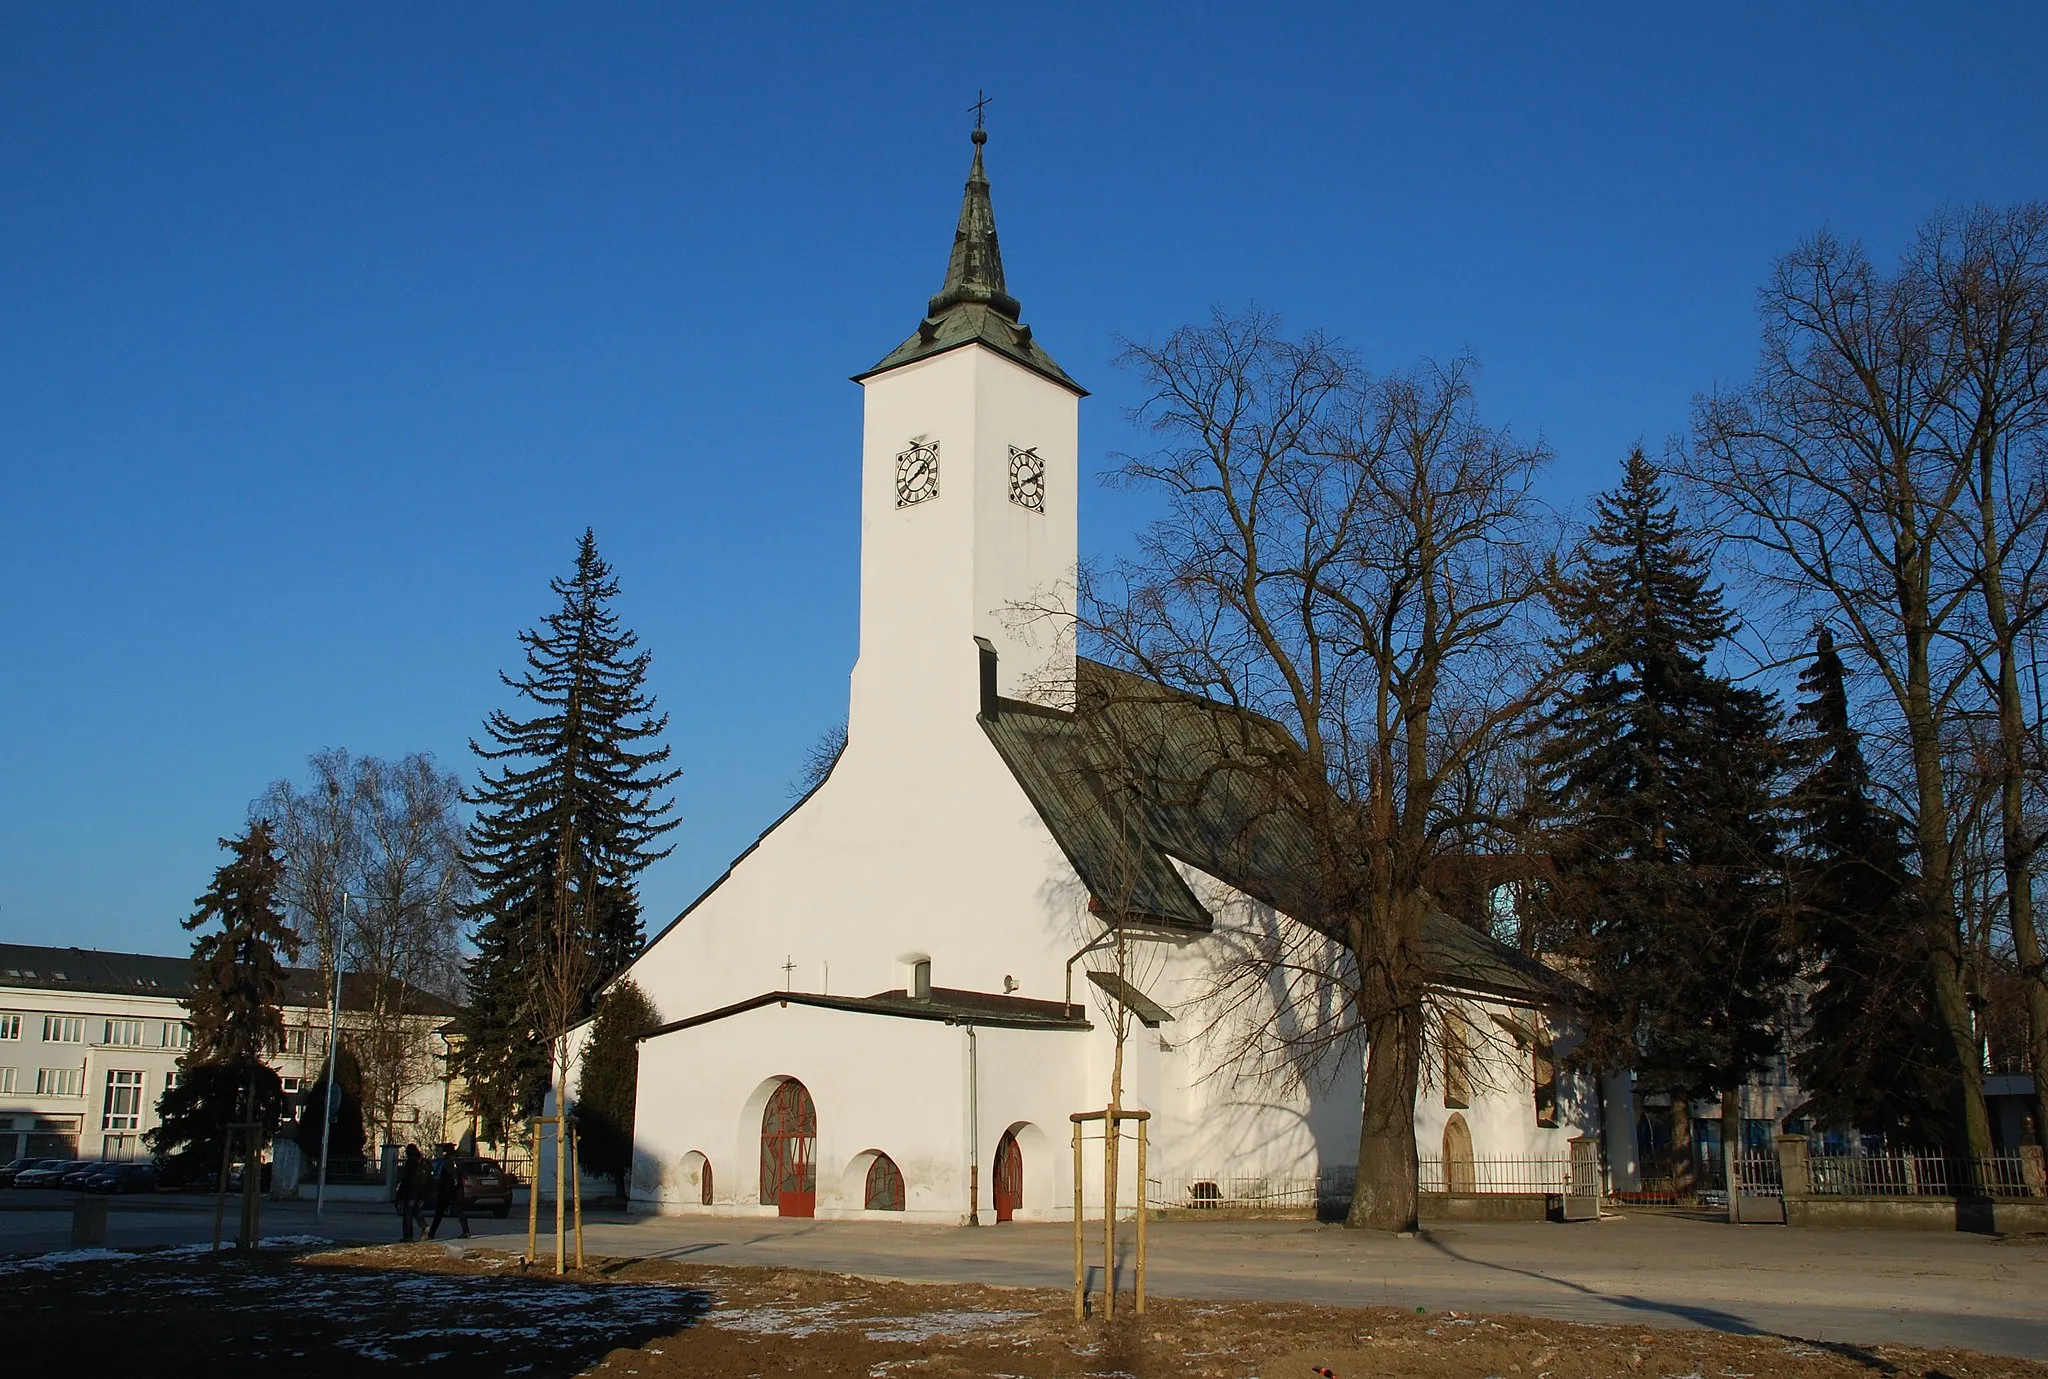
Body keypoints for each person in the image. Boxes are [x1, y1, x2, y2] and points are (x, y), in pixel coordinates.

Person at [426, 1144, 471, 1240]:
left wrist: (447, 1188)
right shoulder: (456, 1160)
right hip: (454, 1191)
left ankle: (431, 1234)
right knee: (458, 1212)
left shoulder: (449, 1162)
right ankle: (466, 1231)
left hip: (448, 1191)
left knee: (439, 1213)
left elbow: (450, 1177)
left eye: (444, 1151)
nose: (442, 1153)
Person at [396, 1144, 430, 1241]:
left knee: (408, 1214)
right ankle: (424, 1227)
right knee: (416, 1211)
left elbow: (406, 1180)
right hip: (420, 1192)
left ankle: (408, 1236)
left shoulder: (410, 1163)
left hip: (410, 1192)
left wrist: (400, 1194)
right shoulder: (423, 1162)